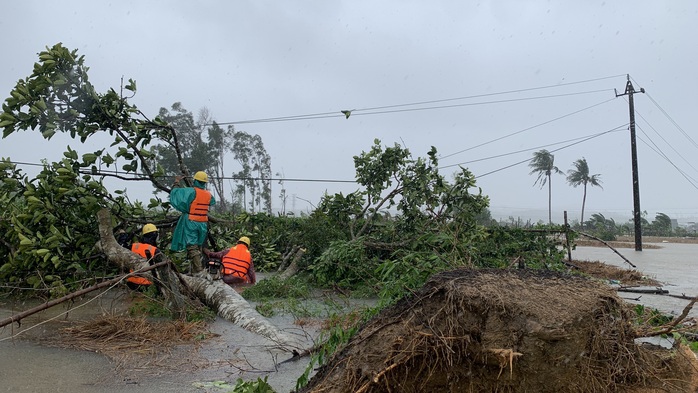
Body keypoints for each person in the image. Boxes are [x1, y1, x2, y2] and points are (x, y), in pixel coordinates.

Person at [169, 171, 216, 275]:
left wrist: (176, 182)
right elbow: (212, 201)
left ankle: (199, 271)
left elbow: (176, 194)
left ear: (195, 180)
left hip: (192, 221)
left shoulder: (190, 192)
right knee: (198, 246)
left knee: (192, 246)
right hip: (203, 223)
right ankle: (194, 271)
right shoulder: (208, 195)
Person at [122, 223, 162, 289]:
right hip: (147, 284)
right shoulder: (155, 250)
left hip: (131, 282)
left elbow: (122, 247)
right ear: (154, 235)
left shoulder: (133, 246)